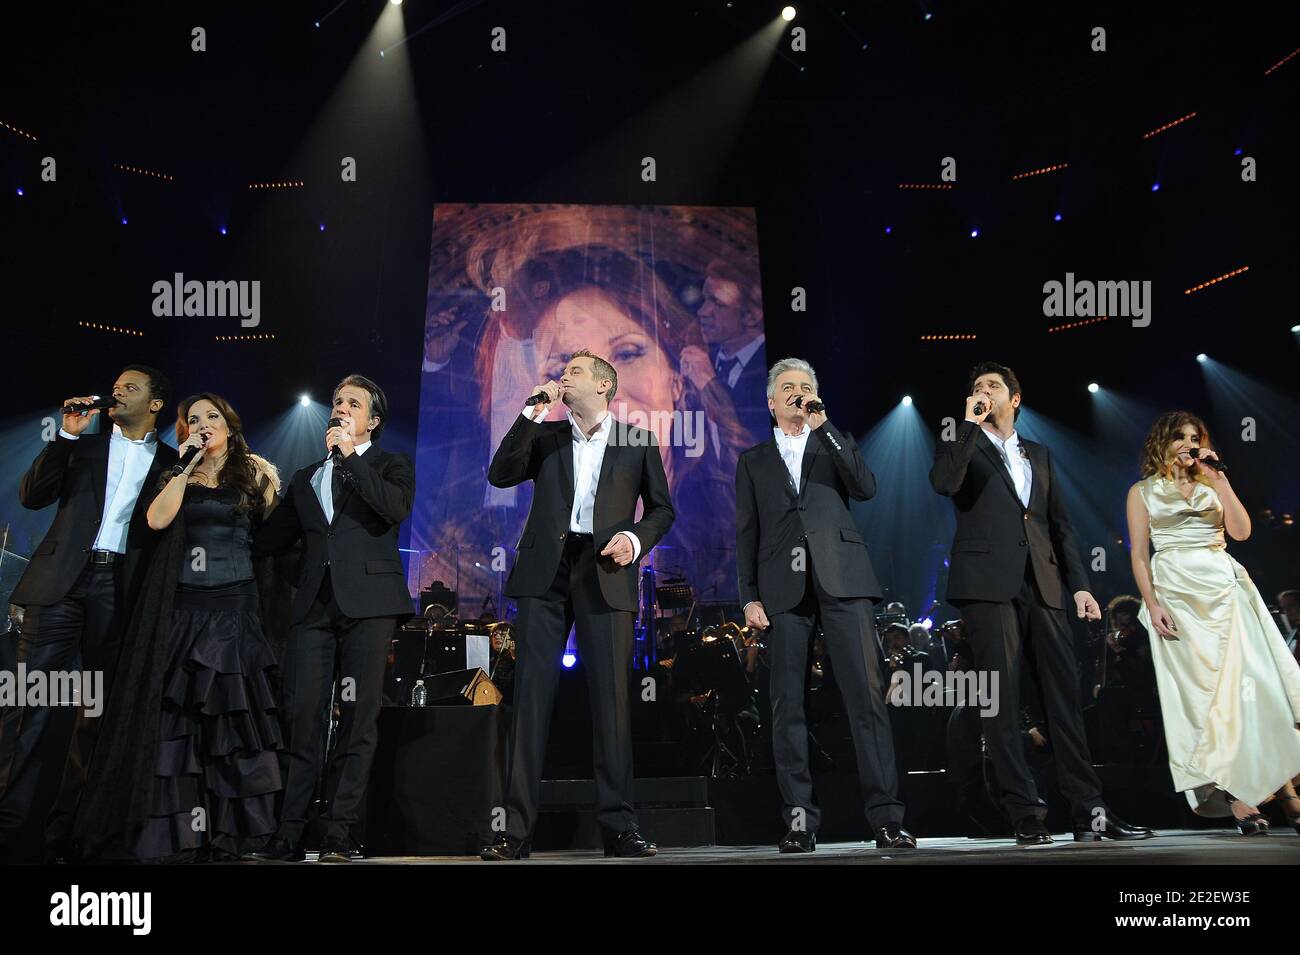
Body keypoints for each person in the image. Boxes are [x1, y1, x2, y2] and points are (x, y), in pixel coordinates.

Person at [930, 361, 1153, 845]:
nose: (983, 391)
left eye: (993, 386)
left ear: (1015, 399)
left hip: (1047, 586)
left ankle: (1090, 813)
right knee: (1003, 702)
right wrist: (969, 423)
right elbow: (945, 483)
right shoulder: (960, 445)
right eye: (976, 387)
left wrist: (1079, 586)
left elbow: (1060, 526)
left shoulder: (1041, 454)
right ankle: (1025, 814)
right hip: (988, 587)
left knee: (1063, 703)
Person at [70, 394, 284, 861]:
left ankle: (235, 833)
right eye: (193, 420)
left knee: (231, 720)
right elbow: (155, 519)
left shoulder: (258, 473)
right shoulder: (177, 473)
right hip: (184, 609)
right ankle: (180, 835)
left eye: (212, 416)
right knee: (179, 721)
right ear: (184, 430)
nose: (204, 424)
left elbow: (274, 542)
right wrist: (186, 467)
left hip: (235, 609)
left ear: (229, 423)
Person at [479, 349, 674, 860]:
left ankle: (619, 827)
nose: (563, 377)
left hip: (605, 568)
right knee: (531, 702)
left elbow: (661, 509)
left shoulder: (637, 439)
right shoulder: (545, 436)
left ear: (604, 387)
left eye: (575, 373)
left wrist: (635, 539)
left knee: (610, 702)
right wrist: (529, 413)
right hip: (547, 571)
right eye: (563, 372)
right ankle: (515, 831)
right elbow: (500, 474)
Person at [736, 357, 914, 852]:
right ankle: (798, 821)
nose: (797, 393)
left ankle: (886, 819)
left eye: (806, 386)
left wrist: (824, 424)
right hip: (781, 589)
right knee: (786, 705)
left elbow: (865, 486)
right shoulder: (752, 460)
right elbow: (745, 532)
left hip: (844, 579)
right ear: (771, 402)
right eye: (788, 388)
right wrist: (748, 596)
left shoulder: (835, 440)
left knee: (866, 700)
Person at [0, 366, 177, 864]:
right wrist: (64, 435)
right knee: (34, 704)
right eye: (116, 385)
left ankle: (78, 831)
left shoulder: (169, 462)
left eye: (131, 387)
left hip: (119, 589)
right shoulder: (84, 446)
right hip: (63, 585)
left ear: (156, 404)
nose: (117, 391)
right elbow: (32, 496)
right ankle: (14, 833)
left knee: (98, 714)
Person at [246, 374, 415, 863]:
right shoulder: (305, 478)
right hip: (315, 607)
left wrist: (347, 458)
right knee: (303, 718)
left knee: (358, 721)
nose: (341, 408)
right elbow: (269, 539)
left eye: (354, 404)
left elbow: (393, 509)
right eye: (337, 401)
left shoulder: (390, 464)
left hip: (370, 605)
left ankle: (341, 832)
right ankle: (290, 832)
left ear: (373, 421)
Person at [1126, 411, 1300, 835]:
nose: (1188, 443)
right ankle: (1236, 794)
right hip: (1177, 597)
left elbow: (1241, 533)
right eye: (1179, 437)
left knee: (1254, 690)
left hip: (1225, 590)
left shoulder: (1212, 485)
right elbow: (1138, 554)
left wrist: (1220, 479)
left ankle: (1285, 791)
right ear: (1162, 443)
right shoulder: (1143, 491)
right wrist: (1151, 604)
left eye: (1194, 437)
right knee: (1204, 700)